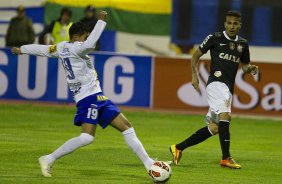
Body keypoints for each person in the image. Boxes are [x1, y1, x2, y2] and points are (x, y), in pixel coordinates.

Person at [12, 11, 155, 177]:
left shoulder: (61, 47)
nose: (86, 39)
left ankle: (149, 163)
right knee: (87, 138)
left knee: (126, 127)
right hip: (88, 98)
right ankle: (49, 158)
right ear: (76, 37)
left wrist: (22, 49)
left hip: (97, 96)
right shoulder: (77, 48)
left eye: (87, 36)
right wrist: (101, 21)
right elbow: (90, 44)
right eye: (84, 36)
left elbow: (43, 49)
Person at [169, 10, 258, 169]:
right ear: (225, 24)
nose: (231, 26)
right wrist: (194, 76)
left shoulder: (243, 44)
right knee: (226, 116)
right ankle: (226, 158)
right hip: (216, 83)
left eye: (235, 23)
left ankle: (178, 147)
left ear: (240, 25)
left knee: (216, 127)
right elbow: (195, 55)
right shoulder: (215, 38)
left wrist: (250, 69)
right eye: (229, 23)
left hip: (227, 87)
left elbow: (244, 67)